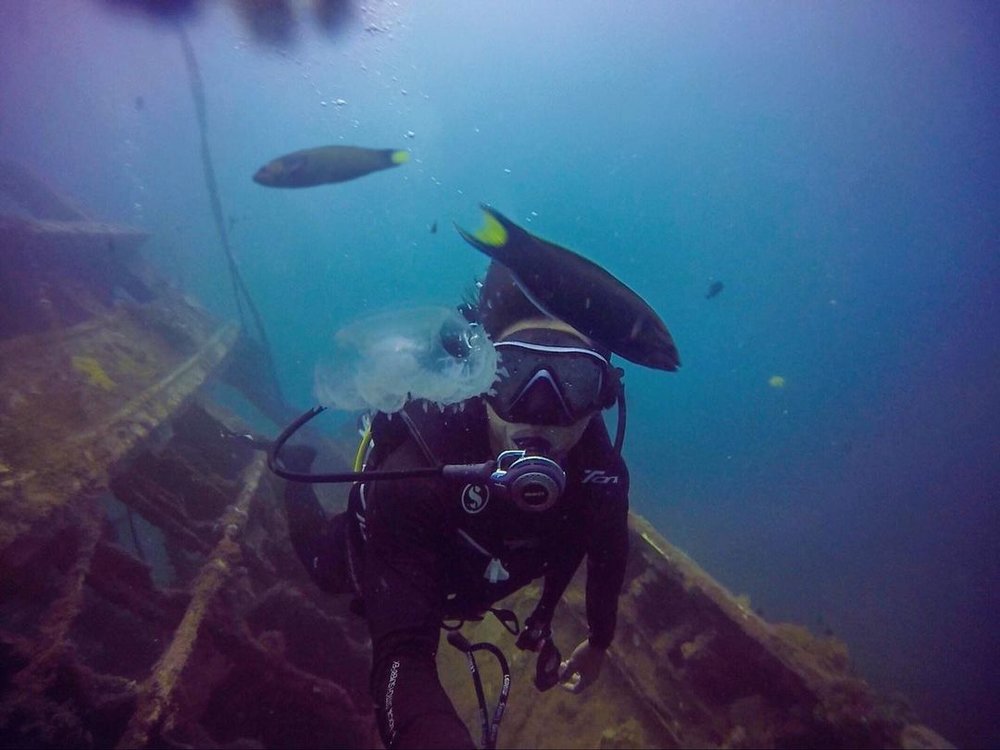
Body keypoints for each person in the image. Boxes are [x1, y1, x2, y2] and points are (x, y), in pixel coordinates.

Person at [277, 215, 678, 749]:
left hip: (477, 578)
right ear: (477, 374)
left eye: (573, 380)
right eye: (512, 373)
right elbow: (401, 659)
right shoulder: (416, 473)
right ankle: (290, 472)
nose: (541, 411)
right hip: (393, 556)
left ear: (603, 394)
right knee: (326, 570)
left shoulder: (600, 479)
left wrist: (600, 639)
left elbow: (609, 554)